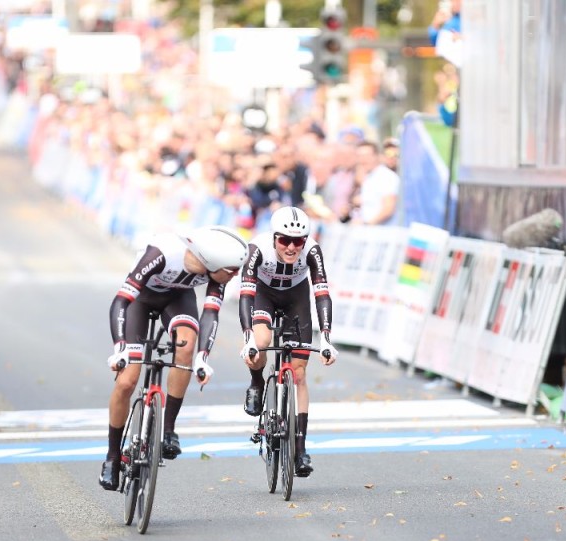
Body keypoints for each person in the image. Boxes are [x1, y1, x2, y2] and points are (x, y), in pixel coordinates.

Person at [99, 225, 248, 490]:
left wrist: (202, 358)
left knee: (186, 346)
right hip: (140, 302)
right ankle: (111, 458)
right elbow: (121, 301)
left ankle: (168, 430)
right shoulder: (162, 253)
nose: (235, 276)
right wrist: (120, 347)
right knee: (126, 381)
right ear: (213, 262)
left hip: (178, 299)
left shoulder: (216, 273)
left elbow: (210, 315)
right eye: (232, 271)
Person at [239, 206, 338, 478]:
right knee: (262, 341)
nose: (292, 247)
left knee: (299, 373)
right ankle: (257, 381)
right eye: (285, 240)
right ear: (274, 237)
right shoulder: (256, 249)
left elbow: (322, 294)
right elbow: (245, 295)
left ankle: (300, 449)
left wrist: (327, 338)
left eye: (299, 241)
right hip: (263, 295)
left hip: (296, 298)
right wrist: (248, 338)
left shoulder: (313, 251)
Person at [350, 140, 400, 226]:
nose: (363, 160)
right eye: (360, 156)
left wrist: (366, 224)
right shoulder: (369, 177)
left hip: (383, 233)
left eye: (367, 156)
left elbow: (388, 208)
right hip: (371, 234)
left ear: (377, 156)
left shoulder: (386, 176)